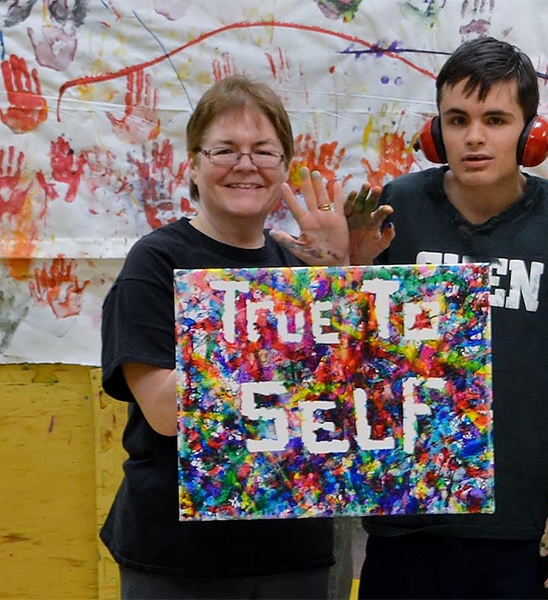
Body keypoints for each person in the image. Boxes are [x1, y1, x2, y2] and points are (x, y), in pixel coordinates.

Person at [349, 36, 548, 599]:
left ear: (531, 133)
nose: (474, 136)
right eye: (457, 119)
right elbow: (358, 353)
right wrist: (345, 267)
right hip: (407, 516)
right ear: (436, 133)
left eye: (495, 119)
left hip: (523, 524)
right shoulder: (398, 207)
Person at [99, 75, 362, 599]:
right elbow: (168, 414)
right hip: (179, 559)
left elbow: (351, 398)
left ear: (285, 167)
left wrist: (337, 276)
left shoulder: (299, 267)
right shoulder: (155, 264)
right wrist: (283, 329)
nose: (246, 165)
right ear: (193, 165)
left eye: (264, 151)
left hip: (295, 550)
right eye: (225, 150)